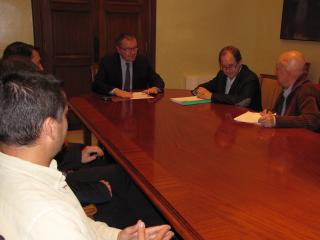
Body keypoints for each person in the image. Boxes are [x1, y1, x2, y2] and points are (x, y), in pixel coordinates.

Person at [0, 71, 173, 240]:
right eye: (65, 116)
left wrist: (117, 236)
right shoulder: (50, 217)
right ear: (50, 128)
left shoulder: (30, 172)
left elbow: (80, 224)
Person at [258, 50, 320, 131]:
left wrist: (276, 121)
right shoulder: (287, 89)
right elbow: (279, 113)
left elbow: (312, 120)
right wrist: (269, 113)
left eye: (278, 69)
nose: (276, 73)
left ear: (286, 72)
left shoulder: (306, 89)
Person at [92, 33, 165, 98]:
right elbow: (97, 84)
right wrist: (116, 91)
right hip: (115, 102)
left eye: (134, 48)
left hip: (137, 103)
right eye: (128, 49)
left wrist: (155, 88)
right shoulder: (108, 62)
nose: (133, 53)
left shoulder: (142, 61)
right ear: (118, 49)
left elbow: (158, 80)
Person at [193, 46, 262, 111]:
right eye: (224, 66)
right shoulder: (222, 74)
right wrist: (198, 90)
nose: (227, 70)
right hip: (226, 114)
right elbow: (210, 85)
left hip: (248, 119)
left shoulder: (250, 78)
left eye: (231, 66)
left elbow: (242, 100)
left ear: (240, 62)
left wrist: (212, 96)